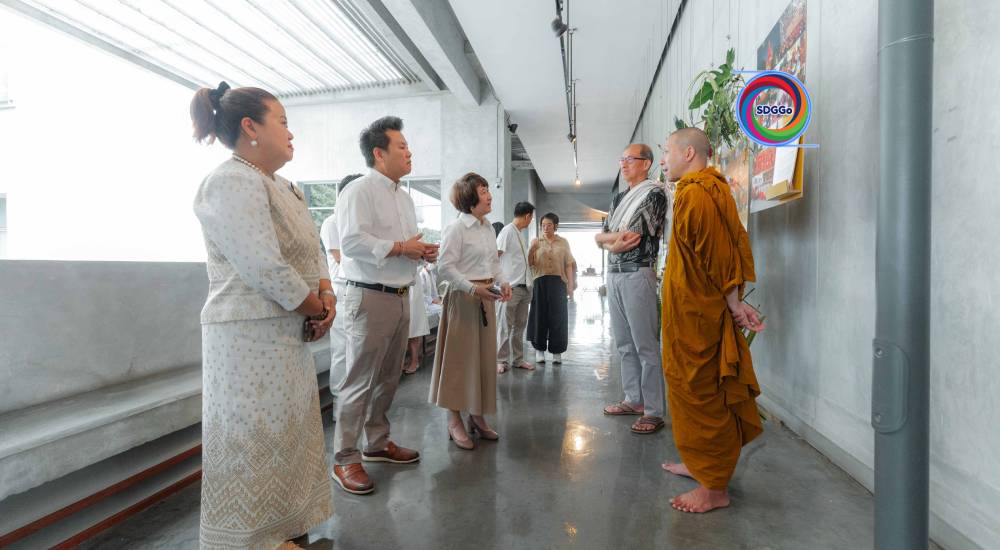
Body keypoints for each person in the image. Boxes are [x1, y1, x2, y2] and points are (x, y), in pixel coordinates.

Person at [190, 81, 333, 549]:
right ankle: (252, 539)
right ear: (250, 127)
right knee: (254, 437)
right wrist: (317, 307)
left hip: (287, 331)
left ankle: (284, 524)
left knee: (288, 431)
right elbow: (262, 266)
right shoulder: (230, 180)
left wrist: (327, 293)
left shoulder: (286, 187)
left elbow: (313, 252)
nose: (291, 134)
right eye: (283, 122)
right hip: (248, 338)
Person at [658, 127, 766, 513]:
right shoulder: (702, 190)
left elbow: (719, 258)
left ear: (688, 153)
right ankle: (699, 463)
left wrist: (736, 306)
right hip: (689, 312)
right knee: (686, 389)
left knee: (702, 392)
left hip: (699, 316)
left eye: (667, 151)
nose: (663, 160)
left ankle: (715, 487)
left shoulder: (698, 194)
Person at [333, 116, 439, 495]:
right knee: (359, 380)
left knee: (389, 378)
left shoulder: (404, 197)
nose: (409, 152)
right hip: (368, 295)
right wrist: (400, 247)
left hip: (400, 294)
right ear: (379, 154)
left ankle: (376, 443)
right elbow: (351, 242)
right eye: (402, 147)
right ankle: (345, 458)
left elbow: (404, 246)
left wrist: (420, 252)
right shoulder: (358, 191)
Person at [429, 173, 511, 450]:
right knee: (458, 362)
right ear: (470, 197)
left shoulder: (487, 228)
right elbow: (445, 268)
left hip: (486, 297)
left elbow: (494, 264)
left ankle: (477, 415)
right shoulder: (456, 228)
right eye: (483, 190)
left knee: (483, 360)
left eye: (488, 190)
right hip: (464, 299)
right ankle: (454, 419)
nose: (489, 195)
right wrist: (473, 289)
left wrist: (503, 282)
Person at [597, 144, 669, 435]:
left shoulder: (654, 194)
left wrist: (606, 240)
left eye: (629, 159)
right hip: (614, 273)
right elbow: (603, 235)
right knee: (624, 344)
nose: (623, 163)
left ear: (646, 163)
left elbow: (634, 234)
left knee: (645, 345)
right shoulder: (619, 198)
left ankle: (653, 410)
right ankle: (633, 399)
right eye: (622, 159)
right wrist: (609, 242)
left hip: (638, 272)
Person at [320, 173, 363, 413]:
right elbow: (339, 257)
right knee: (341, 349)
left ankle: (355, 403)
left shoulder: (355, 221)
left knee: (357, 349)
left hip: (359, 289)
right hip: (341, 289)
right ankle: (339, 404)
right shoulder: (332, 222)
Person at [526, 212, 576, 364]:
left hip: (558, 283)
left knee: (558, 317)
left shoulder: (563, 242)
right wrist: (532, 249)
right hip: (540, 282)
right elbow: (529, 263)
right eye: (543, 225)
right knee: (539, 315)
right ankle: (539, 350)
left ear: (555, 226)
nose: (546, 228)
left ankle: (557, 351)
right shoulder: (536, 241)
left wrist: (570, 285)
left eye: (549, 225)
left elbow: (568, 264)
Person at [495, 201, 536, 373]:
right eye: (531, 218)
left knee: (519, 326)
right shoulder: (507, 231)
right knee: (505, 326)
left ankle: (518, 359)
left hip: (524, 287)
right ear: (527, 216)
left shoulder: (519, 234)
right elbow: (495, 256)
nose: (531, 221)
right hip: (510, 288)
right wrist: (500, 282)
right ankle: (500, 360)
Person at [403, 257, 431, 375]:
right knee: (407, 330)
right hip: (403, 287)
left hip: (412, 291)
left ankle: (414, 362)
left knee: (413, 329)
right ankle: (411, 361)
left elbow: (424, 260)